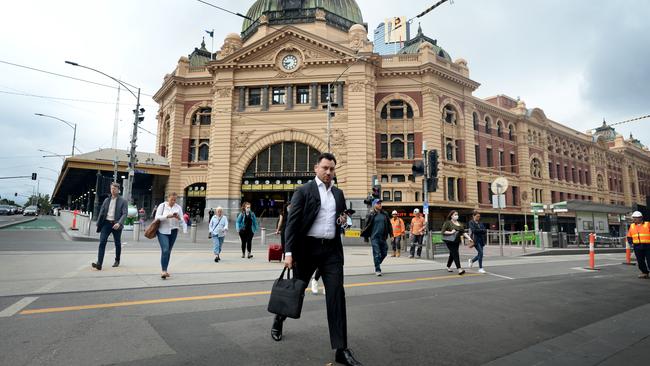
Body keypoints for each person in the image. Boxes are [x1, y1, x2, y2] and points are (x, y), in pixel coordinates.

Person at [271, 152, 363, 366]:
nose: (329, 172)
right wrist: (289, 253)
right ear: (316, 168)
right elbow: (291, 224)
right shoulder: (304, 191)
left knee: (337, 296)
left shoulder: (338, 194)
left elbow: (343, 222)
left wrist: (344, 222)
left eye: (332, 169)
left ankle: (341, 349)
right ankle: (279, 318)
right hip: (306, 249)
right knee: (296, 291)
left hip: (331, 251)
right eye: (325, 168)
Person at [92, 182, 128, 271]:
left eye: (115, 189)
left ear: (118, 190)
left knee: (117, 243)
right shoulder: (106, 200)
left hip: (116, 224)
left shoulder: (123, 201)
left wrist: (119, 223)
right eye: (111, 188)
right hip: (106, 224)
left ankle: (117, 260)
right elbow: (102, 212)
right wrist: (98, 223)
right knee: (102, 242)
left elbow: (124, 214)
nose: (113, 190)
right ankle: (99, 263)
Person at [154, 192, 188, 279]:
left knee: (168, 251)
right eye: (171, 199)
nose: (173, 201)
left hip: (173, 231)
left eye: (175, 200)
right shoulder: (162, 206)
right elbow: (157, 217)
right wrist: (167, 216)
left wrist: (179, 219)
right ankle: (163, 271)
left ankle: (165, 269)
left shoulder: (178, 207)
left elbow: (182, 221)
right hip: (162, 231)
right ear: (168, 198)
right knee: (165, 250)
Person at [361, 199, 392, 276]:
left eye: (380, 203)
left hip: (383, 237)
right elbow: (366, 227)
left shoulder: (385, 214)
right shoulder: (370, 214)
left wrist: (391, 235)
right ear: (374, 205)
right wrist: (366, 238)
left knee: (384, 252)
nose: (380, 205)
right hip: (374, 238)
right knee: (377, 253)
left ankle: (377, 262)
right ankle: (377, 269)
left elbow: (389, 225)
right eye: (378, 203)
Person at [441, 210, 473, 275]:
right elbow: (443, 231)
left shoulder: (460, 223)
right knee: (455, 253)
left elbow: (463, 232)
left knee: (452, 254)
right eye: (455, 214)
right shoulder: (448, 223)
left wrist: (469, 238)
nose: (456, 216)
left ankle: (448, 266)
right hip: (449, 241)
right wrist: (451, 232)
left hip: (456, 241)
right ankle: (459, 269)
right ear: (451, 216)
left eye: (457, 214)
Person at [627, 211, 650, 279]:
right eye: (633, 218)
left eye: (635, 218)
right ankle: (644, 272)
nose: (634, 219)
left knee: (649, 260)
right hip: (637, 246)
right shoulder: (632, 226)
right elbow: (629, 236)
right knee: (640, 261)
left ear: (640, 218)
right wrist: (631, 243)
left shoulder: (647, 224)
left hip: (648, 245)